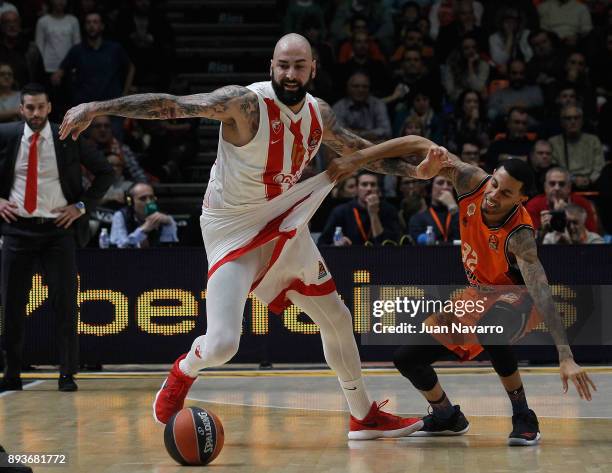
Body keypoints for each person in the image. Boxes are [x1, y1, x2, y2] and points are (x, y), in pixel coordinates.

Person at [59, 33, 425, 439]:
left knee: (337, 318)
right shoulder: (245, 103)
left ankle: (363, 415)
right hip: (232, 227)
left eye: (299, 65)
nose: (290, 73)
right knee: (222, 346)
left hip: (284, 220)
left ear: (313, 69)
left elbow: (358, 150)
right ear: (271, 66)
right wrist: (98, 107)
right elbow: (172, 106)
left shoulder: (319, 113)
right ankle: (183, 371)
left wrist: (417, 172)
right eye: (283, 65)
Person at [329, 141, 595, 446]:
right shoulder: (470, 180)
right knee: (407, 358)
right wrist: (359, 158)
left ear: (522, 199)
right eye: (495, 184)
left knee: (490, 330)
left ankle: (523, 414)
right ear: (491, 174)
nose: (494, 195)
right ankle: (446, 416)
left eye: (506, 193)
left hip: (516, 296)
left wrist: (566, 356)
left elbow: (542, 292)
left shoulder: (519, 236)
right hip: (477, 295)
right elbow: (416, 148)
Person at [0, 83, 113, 393]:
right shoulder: (8, 135)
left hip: (57, 231)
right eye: (29, 108)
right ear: (21, 109)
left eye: (41, 107)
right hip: (17, 230)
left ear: (50, 108)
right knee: (11, 306)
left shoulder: (67, 137)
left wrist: (81, 207)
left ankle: (67, 373)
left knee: (64, 305)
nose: (35, 113)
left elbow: (106, 172)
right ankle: (11, 373)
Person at [319, 170, 401, 246]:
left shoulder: (389, 210)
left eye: (373, 185)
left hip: (381, 258)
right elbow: (322, 243)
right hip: (350, 258)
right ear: (357, 188)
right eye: (364, 184)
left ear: (378, 189)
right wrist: (336, 245)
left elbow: (389, 245)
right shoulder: (341, 211)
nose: (369, 189)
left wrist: (373, 214)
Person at [525, 166, 597, 236]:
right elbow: (528, 240)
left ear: (569, 187)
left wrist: (568, 217)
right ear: (545, 187)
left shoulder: (582, 204)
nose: (557, 188)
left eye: (561, 184)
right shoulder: (533, 205)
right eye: (552, 184)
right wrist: (542, 230)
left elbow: (591, 235)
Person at [110, 182, 178, 248]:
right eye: (143, 198)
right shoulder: (120, 216)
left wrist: (168, 224)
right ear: (130, 202)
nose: (149, 202)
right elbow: (120, 248)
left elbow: (170, 248)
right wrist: (142, 231)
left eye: (151, 198)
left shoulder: (164, 218)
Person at [408, 174, 460, 243]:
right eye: (440, 183)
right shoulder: (417, 219)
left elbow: (467, 234)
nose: (445, 187)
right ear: (431, 189)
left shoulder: (460, 215)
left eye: (449, 184)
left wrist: (453, 206)